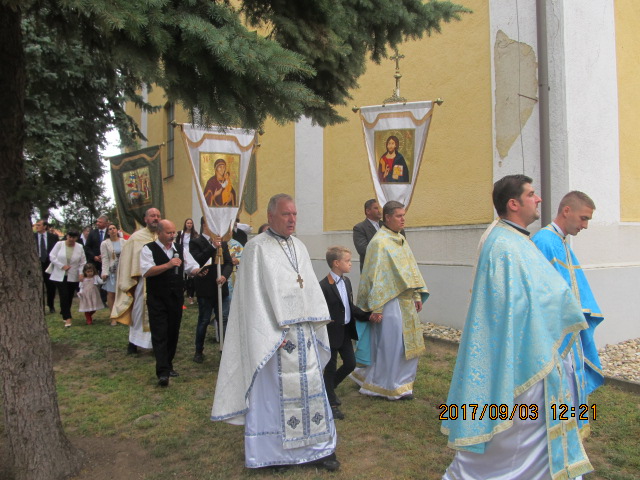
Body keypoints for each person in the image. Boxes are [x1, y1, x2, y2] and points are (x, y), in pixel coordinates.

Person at [441, 175, 593, 480]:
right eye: (532, 194)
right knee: (518, 428)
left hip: (533, 345)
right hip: (523, 352)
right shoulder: (504, 245)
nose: (538, 200)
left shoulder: (515, 239)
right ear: (514, 203)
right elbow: (508, 306)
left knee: (533, 425)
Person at [211, 194, 339, 472]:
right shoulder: (256, 249)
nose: (292, 219)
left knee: (312, 392)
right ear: (271, 217)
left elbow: (308, 289)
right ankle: (273, 454)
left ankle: (318, 449)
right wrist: (271, 334)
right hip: (274, 340)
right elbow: (253, 299)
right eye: (286, 214)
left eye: (294, 214)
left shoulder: (300, 247)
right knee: (273, 399)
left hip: (303, 336)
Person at [350, 201, 429, 400]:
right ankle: (383, 384)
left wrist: (417, 294)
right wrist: (376, 307)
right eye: (399, 216)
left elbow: (411, 268)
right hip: (389, 303)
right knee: (390, 346)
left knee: (406, 346)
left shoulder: (400, 239)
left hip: (406, 302)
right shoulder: (379, 243)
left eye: (404, 215)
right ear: (387, 218)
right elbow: (374, 275)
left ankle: (402, 383)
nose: (403, 219)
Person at [532, 191, 605, 395]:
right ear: (566, 211)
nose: (585, 225)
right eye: (584, 218)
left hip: (568, 330)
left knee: (570, 386)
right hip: (555, 334)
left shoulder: (560, 241)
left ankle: (570, 425)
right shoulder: (544, 241)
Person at [141, 219, 199, 386]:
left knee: (173, 332)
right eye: (168, 233)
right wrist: (168, 265)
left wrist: (198, 271)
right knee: (160, 334)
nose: (172, 235)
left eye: (173, 232)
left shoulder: (179, 249)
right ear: (159, 233)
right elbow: (146, 271)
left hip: (175, 297)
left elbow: (190, 266)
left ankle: (169, 364)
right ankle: (162, 372)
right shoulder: (148, 249)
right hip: (157, 297)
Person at [319, 246, 370, 420]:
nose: (351, 264)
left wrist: (368, 316)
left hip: (346, 332)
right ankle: (331, 403)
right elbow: (319, 310)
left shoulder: (346, 282)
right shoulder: (324, 286)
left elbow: (349, 306)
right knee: (330, 368)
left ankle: (327, 390)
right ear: (336, 263)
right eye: (347, 261)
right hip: (331, 333)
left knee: (350, 363)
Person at [111, 207, 161, 354]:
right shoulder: (136, 237)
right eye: (152, 216)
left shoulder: (162, 236)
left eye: (158, 216)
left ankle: (155, 344)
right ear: (145, 219)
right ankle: (133, 342)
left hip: (159, 282)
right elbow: (127, 261)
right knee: (138, 313)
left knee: (157, 314)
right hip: (141, 282)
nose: (156, 218)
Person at [188, 218, 233, 364]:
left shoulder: (223, 243)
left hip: (221, 287)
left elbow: (228, 263)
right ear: (204, 225)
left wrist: (225, 276)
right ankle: (198, 350)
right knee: (204, 319)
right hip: (205, 288)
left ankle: (225, 349)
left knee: (224, 318)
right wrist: (212, 247)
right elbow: (199, 260)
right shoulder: (195, 242)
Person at [47, 231, 86, 327]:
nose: (72, 239)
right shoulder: (59, 244)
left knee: (69, 296)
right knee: (63, 295)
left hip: (73, 275)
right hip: (60, 275)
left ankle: (64, 311)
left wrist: (81, 273)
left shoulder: (79, 247)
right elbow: (52, 256)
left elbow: (83, 261)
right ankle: (67, 317)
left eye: (74, 238)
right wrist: (62, 266)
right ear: (67, 237)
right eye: (70, 237)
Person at [101, 222, 126, 325]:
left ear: (117, 230)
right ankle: (113, 317)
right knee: (111, 294)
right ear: (108, 232)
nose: (112, 230)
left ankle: (122, 315)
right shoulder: (105, 243)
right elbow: (105, 258)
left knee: (122, 293)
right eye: (110, 229)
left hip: (123, 270)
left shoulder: (124, 242)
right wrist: (104, 272)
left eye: (114, 228)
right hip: (112, 271)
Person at [34, 219, 59, 313]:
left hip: (49, 264)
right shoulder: (33, 237)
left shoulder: (53, 237)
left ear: (45, 226)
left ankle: (51, 305)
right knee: (38, 286)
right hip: (37, 263)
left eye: (39, 225)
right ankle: (41, 306)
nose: (37, 227)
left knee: (51, 286)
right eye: (36, 225)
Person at [84, 215, 109, 305]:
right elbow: (87, 247)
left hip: (105, 261)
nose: (97, 223)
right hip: (94, 260)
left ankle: (103, 299)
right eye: (97, 222)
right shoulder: (92, 233)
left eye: (100, 222)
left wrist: (104, 256)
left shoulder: (110, 232)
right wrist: (94, 256)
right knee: (91, 279)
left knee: (104, 279)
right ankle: (91, 298)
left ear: (106, 223)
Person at [352, 199, 383, 272]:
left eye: (380, 208)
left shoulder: (386, 225)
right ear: (368, 211)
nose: (379, 210)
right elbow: (363, 249)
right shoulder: (360, 228)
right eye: (376, 208)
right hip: (370, 269)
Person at [176, 218, 199, 305]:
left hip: (192, 256)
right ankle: (182, 294)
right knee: (182, 276)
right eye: (188, 223)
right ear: (185, 224)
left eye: (191, 223)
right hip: (182, 255)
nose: (189, 225)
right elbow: (177, 244)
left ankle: (191, 295)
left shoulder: (195, 235)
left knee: (191, 278)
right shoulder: (180, 234)